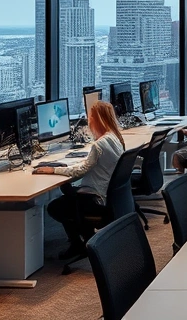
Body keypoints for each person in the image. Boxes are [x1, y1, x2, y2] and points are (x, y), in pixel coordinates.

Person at [35, 100, 125, 259]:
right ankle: (87, 239)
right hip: (107, 195)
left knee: (55, 207)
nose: (88, 120)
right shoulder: (115, 138)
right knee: (68, 191)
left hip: (95, 197)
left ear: (98, 119)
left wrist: (54, 169)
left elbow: (81, 171)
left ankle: (81, 243)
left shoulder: (99, 145)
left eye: (90, 116)